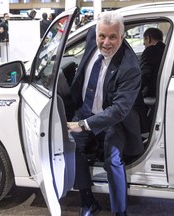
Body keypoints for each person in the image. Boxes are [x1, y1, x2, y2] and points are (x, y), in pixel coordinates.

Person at [67, 11, 146, 216]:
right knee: (74, 147)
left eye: (112, 37)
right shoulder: (93, 38)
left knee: (113, 160)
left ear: (122, 36)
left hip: (115, 119)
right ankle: (88, 202)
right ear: (96, 34)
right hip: (86, 109)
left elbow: (119, 110)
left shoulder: (130, 66)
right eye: (102, 36)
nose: (106, 42)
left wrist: (82, 125)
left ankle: (120, 211)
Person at [140, 27, 165, 98]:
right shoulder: (166, 50)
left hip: (153, 93)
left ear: (148, 38)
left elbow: (144, 75)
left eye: (144, 40)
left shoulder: (150, 51)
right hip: (161, 89)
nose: (143, 43)